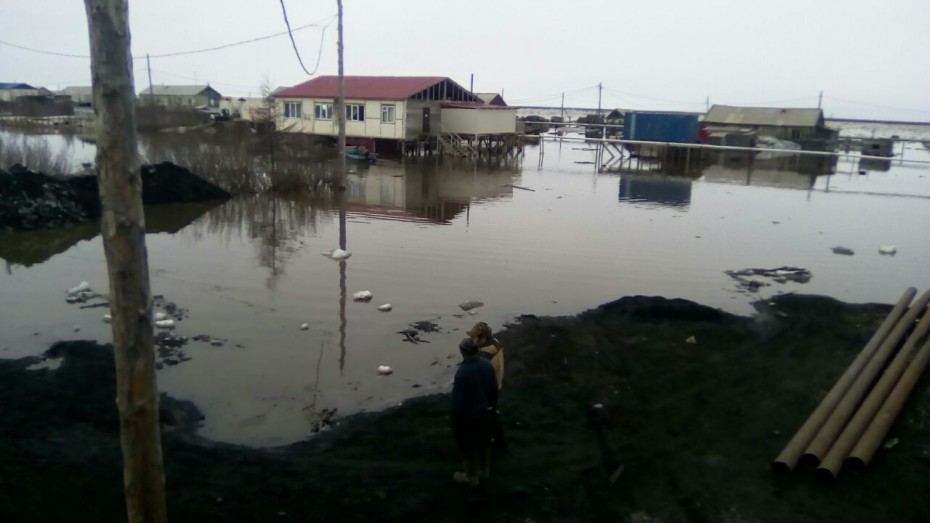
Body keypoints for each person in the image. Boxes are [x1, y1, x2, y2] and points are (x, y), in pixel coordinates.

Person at [451, 337, 498, 486]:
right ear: (477, 350)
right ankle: (485, 470)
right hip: (486, 413)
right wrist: (493, 407)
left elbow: (458, 402)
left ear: (462, 352)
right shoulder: (486, 365)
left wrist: (455, 419)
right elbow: (493, 389)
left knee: (467, 447)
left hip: (468, 417)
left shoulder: (462, 373)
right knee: (484, 443)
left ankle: (471, 476)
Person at [469, 322, 506, 452]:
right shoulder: (495, 342)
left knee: (486, 417)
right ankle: (499, 443)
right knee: (494, 413)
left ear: (482, 338)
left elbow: (480, 377)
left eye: (473, 337)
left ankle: (492, 445)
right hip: (497, 382)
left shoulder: (483, 356)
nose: (472, 340)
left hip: (488, 389)